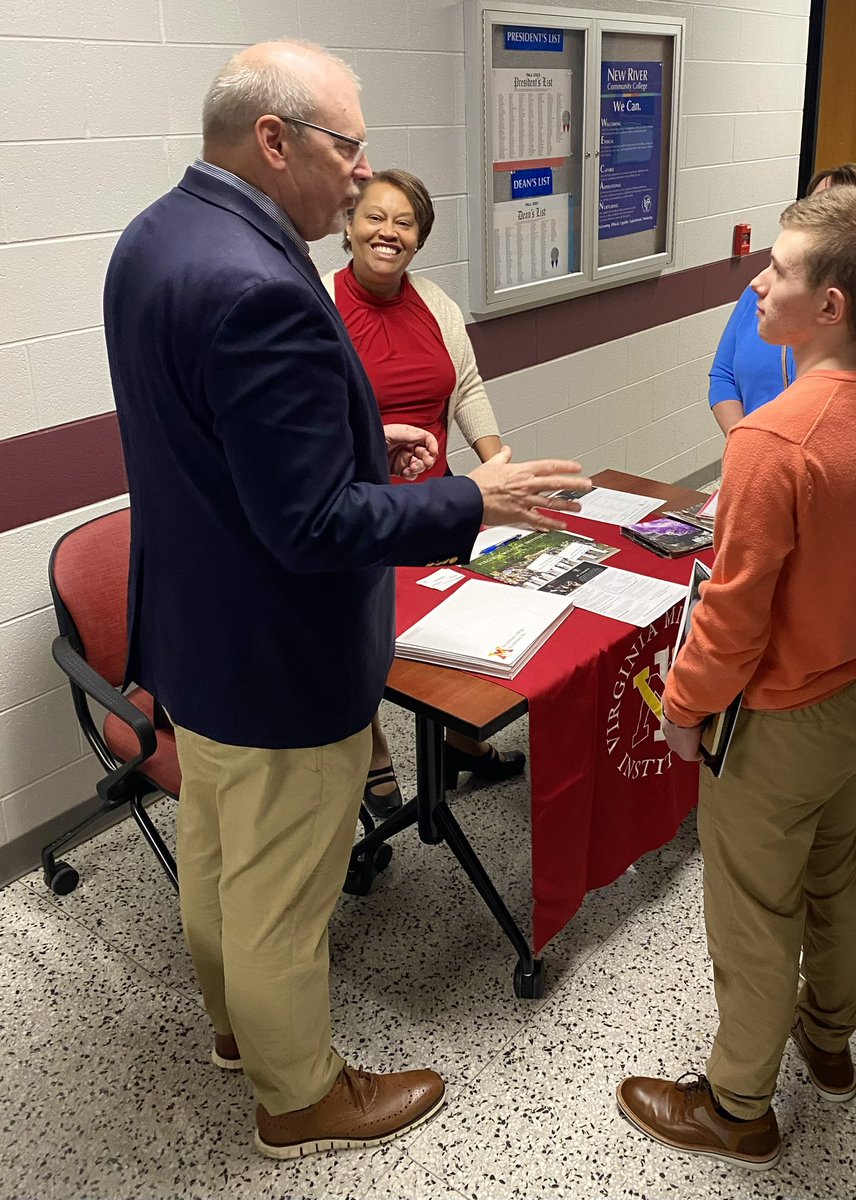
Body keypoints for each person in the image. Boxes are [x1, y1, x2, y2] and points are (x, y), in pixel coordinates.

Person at [103, 40, 588, 1159]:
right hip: (281, 654)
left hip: (196, 635)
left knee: (222, 862)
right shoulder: (262, 284)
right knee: (281, 895)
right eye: (347, 145)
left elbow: (217, 447)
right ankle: (300, 1098)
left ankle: (236, 1032)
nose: (361, 176)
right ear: (274, 141)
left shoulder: (156, 238)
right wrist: (474, 495)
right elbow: (312, 526)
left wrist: (364, 439)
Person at [616, 186, 856, 1170]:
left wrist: (679, 709)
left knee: (754, 914)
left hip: (782, 717)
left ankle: (737, 1106)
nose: (757, 281)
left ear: (829, 306)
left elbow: (731, 613)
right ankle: (828, 1040)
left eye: (779, 270)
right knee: (835, 875)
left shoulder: (771, 442)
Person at [323, 169, 522, 817]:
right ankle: (374, 757)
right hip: (358, 514)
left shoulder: (435, 303)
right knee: (361, 648)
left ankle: (461, 742)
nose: (388, 232)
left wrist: (499, 468)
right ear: (348, 225)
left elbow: (466, 389)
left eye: (404, 222)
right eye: (374, 217)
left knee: (458, 633)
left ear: (420, 237)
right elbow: (313, 417)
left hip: (436, 509)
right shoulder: (317, 302)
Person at [708, 163, 856, 436]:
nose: (762, 283)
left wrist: (772, 453)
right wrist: (744, 443)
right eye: (815, 205)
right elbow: (723, 375)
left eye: (834, 209)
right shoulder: (761, 290)